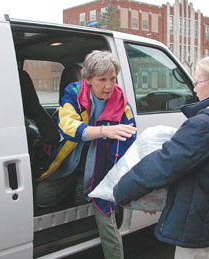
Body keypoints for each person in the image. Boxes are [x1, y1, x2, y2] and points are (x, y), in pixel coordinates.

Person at [113, 54, 209, 259]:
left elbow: (164, 164)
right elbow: (197, 170)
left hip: (196, 216)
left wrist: (122, 190)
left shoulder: (205, 125)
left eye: (197, 82)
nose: (194, 88)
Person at [36, 50, 137, 259]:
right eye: (102, 80)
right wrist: (102, 131)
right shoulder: (73, 93)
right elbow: (67, 126)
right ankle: (79, 186)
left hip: (102, 168)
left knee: (106, 221)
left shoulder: (121, 103)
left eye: (112, 79)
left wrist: (116, 182)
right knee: (42, 198)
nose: (109, 86)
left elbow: (128, 143)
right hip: (71, 163)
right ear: (88, 79)